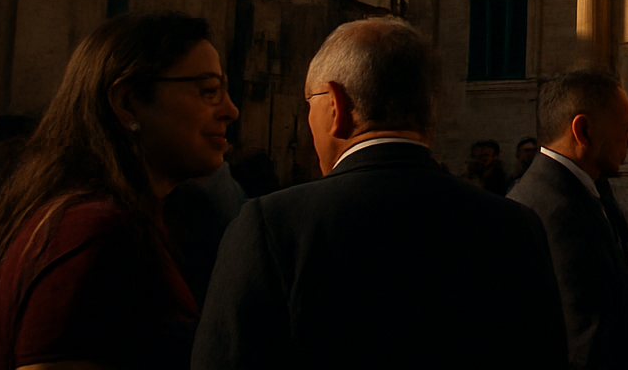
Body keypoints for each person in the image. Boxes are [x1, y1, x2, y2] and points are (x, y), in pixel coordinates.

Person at [191, 19, 565, 368]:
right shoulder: (515, 227)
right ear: (430, 109)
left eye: (309, 104)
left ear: (336, 105)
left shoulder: (272, 227)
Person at [0, 12, 239, 370]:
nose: (230, 110)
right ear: (127, 102)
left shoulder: (142, 222)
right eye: (209, 91)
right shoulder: (91, 234)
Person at [507, 69, 628, 370]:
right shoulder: (555, 210)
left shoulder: (577, 190)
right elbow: (585, 341)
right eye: (625, 128)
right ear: (583, 131)